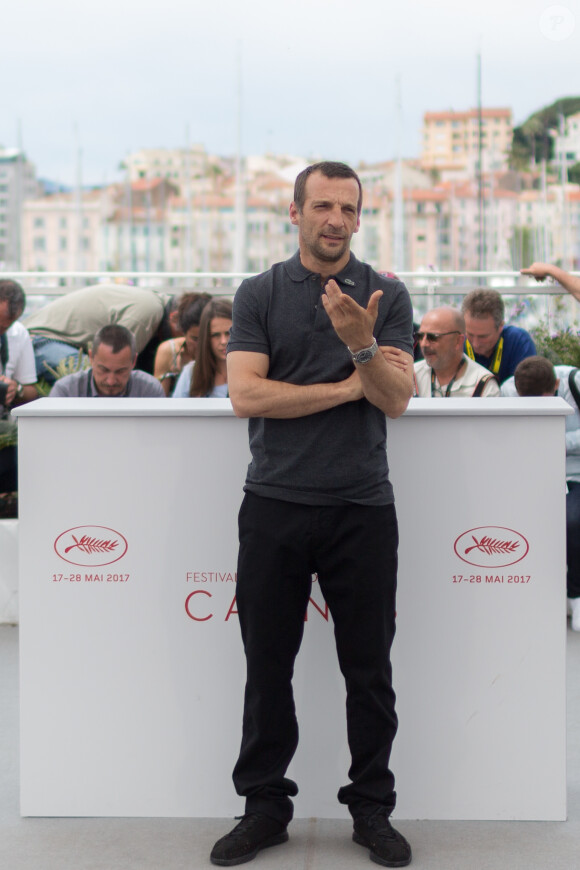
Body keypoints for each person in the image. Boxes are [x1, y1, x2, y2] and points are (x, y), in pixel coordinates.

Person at [210, 162, 414, 868]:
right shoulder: (260, 292)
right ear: (294, 212)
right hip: (274, 504)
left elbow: (394, 399)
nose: (334, 218)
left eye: (347, 208)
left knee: (370, 671)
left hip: (363, 506)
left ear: (360, 218)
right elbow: (246, 395)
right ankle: (264, 806)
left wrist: (361, 343)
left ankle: (372, 809)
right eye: (321, 205)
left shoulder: (388, 294)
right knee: (268, 668)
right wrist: (343, 387)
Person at [501, 356, 580, 631]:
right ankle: (537, 595)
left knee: (572, 522)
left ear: (556, 386)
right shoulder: (508, 390)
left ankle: (575, 595)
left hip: (572, 472)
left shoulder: (574, 382)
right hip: (531, 474)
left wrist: (557, 441)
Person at [24, 282, 179, 385]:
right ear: (175, 317)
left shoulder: (158, 306)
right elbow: (117, 359)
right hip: (42, 339)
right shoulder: (149, 312)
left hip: (70, 343)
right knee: (97, 378)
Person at [49, 324, 165, 398]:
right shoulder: (66, 392)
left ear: (134, 361)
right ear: (91, 358)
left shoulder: (149, 391)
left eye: (120, 371)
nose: (111, 381)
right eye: (103, 370)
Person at [0, 280, 38, 495]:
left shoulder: (18, 334)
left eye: (7, 325)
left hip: (7, 431)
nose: (2, 329)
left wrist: (17, 389)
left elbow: (32, 393)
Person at [413, 307, 500, 397]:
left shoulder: (484, 386)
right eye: (420, 336)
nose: (424, 344)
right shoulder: (411, 376)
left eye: (433, 337)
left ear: (458, 340)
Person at [461, 289, 536, 383]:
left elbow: (528, 390)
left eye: (483, 337)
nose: (475, 344)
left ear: (501, 326)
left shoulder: (518, 341)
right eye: (470, 334)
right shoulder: (456, 341)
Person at [154, 292, 212, 395]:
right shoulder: (168, 351)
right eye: (195, 339)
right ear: (183, 333)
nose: (201, 345)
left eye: (208, 338)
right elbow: (160, 399)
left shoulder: (223, 353)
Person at [172, 299, 232, 398]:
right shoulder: (190, 373)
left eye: (229, 333)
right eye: (215, 335)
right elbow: (176, 412)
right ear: (206, 338)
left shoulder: (253, 371)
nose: (223, 341)